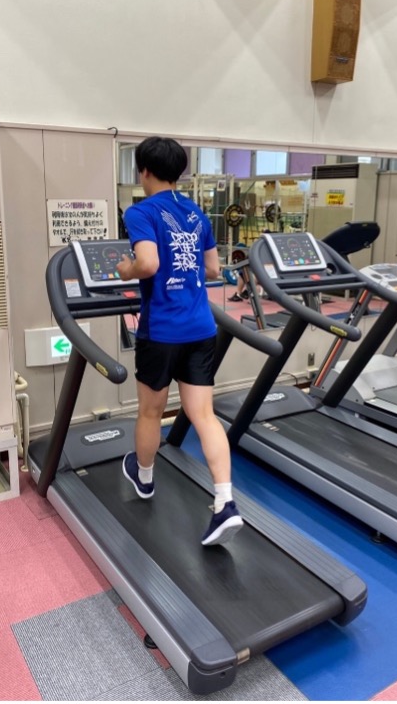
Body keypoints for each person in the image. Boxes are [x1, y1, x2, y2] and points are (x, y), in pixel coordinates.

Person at [116, 136, 243, 546]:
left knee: (151, 411)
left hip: (162, 331)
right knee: (203, 414)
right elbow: (213, 269)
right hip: (201, 328)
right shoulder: (196, 212)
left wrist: (125, 270)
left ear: (144, 171)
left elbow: (148, 263)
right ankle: (225, 502)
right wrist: (182, 273)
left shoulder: (140, 212)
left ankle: (144, 477)